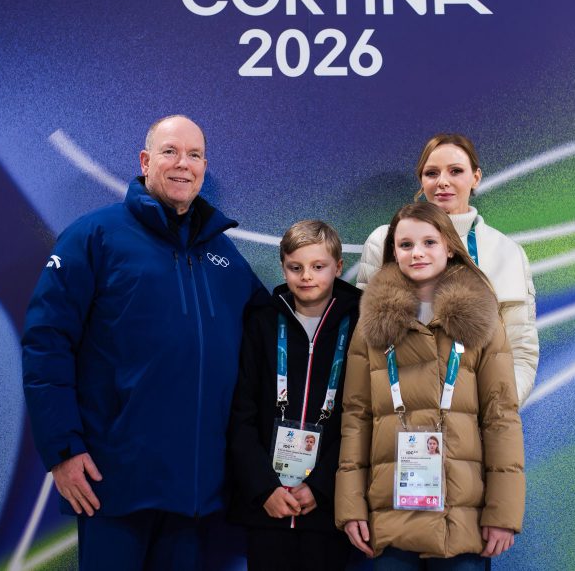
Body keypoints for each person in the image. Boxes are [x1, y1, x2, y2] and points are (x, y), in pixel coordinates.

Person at [22, 115, 264, 570]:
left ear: (204, 167)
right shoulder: (94, 236)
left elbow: (272, 331)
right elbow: (46, 343)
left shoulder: (223, 254)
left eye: (194, 155)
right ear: (145, 161)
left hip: (195, 492)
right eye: (170, 151)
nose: (183, 163)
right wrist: (62, 449)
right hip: (113, 485)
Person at [337, 203, 525, 568]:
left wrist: (503, 512)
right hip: (389, 515)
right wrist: (350, 506)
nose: (417, 253)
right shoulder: (369, 324)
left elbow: (501, 417)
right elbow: (356, 417)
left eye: (429, 242)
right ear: (393, 252)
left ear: (449, 247)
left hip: (462, 517)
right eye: (406, 245)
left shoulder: (483, 317)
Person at [355, 134, 539, 405]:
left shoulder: (507, 252)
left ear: (476, 177)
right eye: (432, 173)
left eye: (455, 171)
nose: (442, 181)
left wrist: (495, 411)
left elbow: (521, 352)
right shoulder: (384, 241)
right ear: (421, 180)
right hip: (399, 416)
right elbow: (361, 345)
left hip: (473, 421)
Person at [228, 220, 361, 570]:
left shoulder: (360, 323)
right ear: (283, 266)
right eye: (296, 267)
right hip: (267, 507)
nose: (307, 276)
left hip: (327, 509)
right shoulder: (261, 322)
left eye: (318, 266)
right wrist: (263, 489)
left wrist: (321, 487)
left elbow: (362, 421)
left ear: (338, 267)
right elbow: (241, 414)